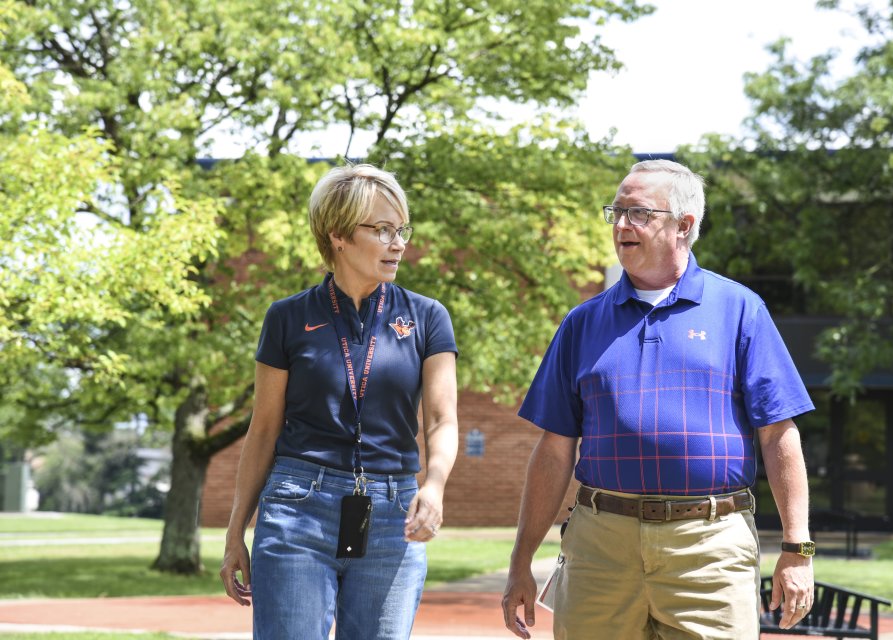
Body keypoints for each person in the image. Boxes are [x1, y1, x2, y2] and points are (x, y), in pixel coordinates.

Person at [501, 159, 815, 639]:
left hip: (709, 548)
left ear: (684, 226)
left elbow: (778, 435)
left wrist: (797, 549)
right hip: (599, 547)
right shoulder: (581, 324)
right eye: (617, 212)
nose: (622, 225)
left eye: (639, 213)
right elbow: (554, 449)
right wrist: (521, 561)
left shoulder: (740, 310)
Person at [220, 163, 459, 639]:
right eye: (383, 229)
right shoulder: (286, 318)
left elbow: (440, 419)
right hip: (297, 508)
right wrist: (235, 533)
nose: (398, 242)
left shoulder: (428, 317)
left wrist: (432, 486)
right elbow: (264, 429)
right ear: (338, 236)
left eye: (401, 229)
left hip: (394, 514)